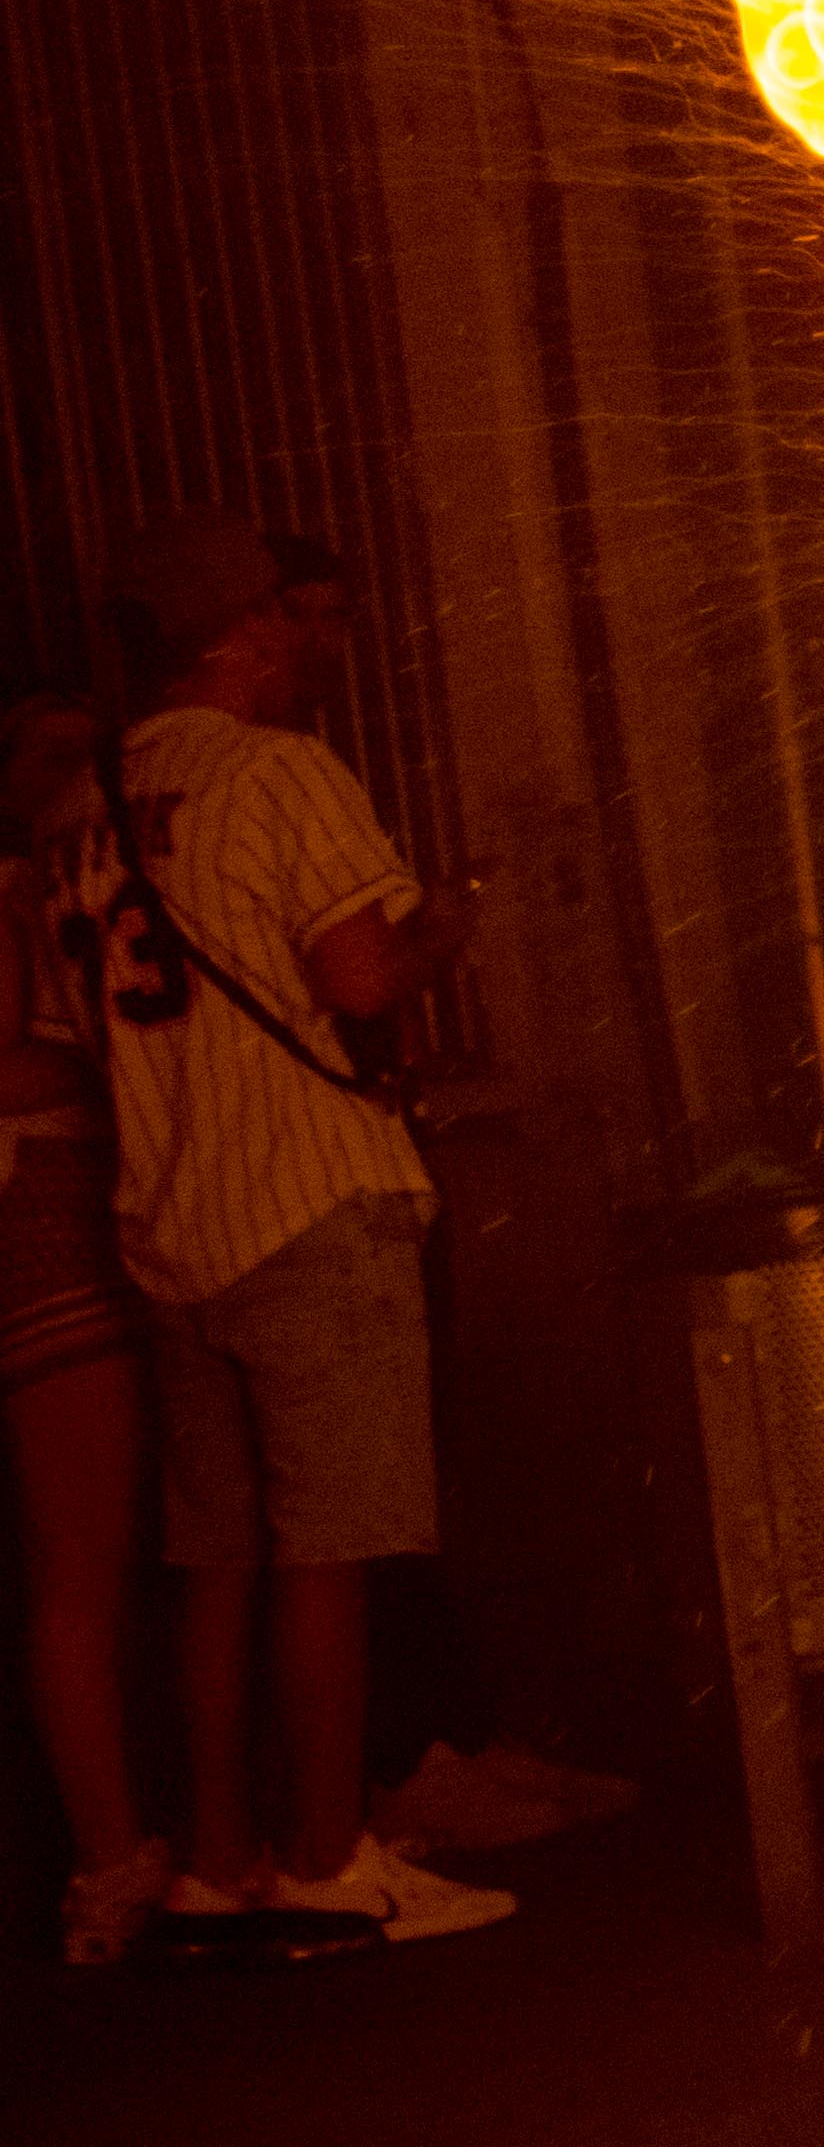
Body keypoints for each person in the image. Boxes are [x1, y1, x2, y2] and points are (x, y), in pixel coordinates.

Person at [75, 512, 512, 1952]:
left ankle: (216, 1859)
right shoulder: (280, 773)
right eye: (281, 618)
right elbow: (362, 978)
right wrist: (445, 925)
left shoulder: (92, 800)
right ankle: (330, 1859)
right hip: (308, 1203)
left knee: (218, 1561)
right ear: (237, 635)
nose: (298, 641)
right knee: (328, 1548)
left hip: (171, 1223)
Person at [9, 680, 171, 1965]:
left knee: (100, 1558)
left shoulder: (59, 877)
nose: (83, 770)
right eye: (54, 752)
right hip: (36, 1218)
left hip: (67, 1210)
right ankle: (107, 1868)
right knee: (78, 1562)